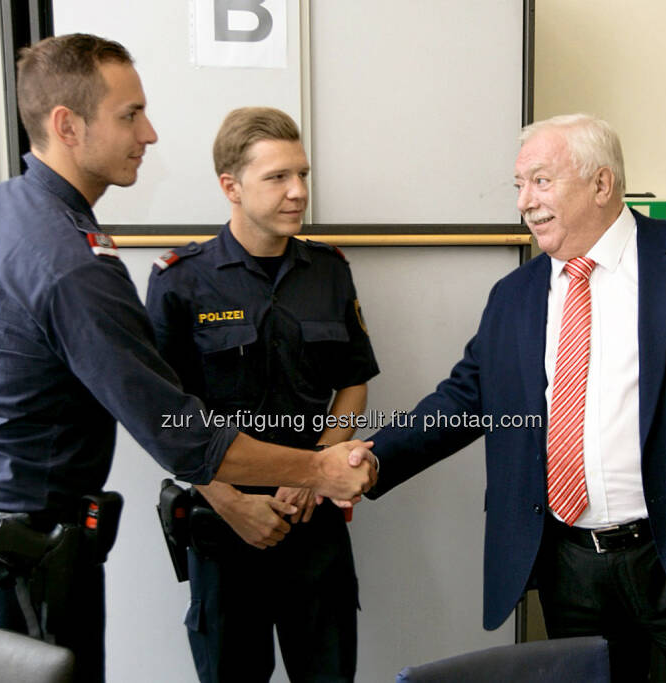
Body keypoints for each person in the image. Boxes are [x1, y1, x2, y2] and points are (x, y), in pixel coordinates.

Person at [0, 35, 375, 683]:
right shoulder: (76, 259)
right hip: (29, 558)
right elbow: (180, 433)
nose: (151, 133)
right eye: (130, 114)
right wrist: (321, 467)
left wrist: (18, 395)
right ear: (67, 126)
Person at [362, 113, 666, 681]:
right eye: (519, 185)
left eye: (540, 181)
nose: (524, 201)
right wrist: (373, 457)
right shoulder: (515, 295)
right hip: (572, 566)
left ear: (601, 183)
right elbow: (464, 399)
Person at [145, 107, 378, 683]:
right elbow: (159, 414)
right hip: (223, 526)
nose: (298, 192)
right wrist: (227, 499)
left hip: (313, 520)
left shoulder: (329, 271)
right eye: (278, 177)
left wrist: (315, 471)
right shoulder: (181, 280)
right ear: (231, 186)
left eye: (302, 174)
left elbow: (353, 381)